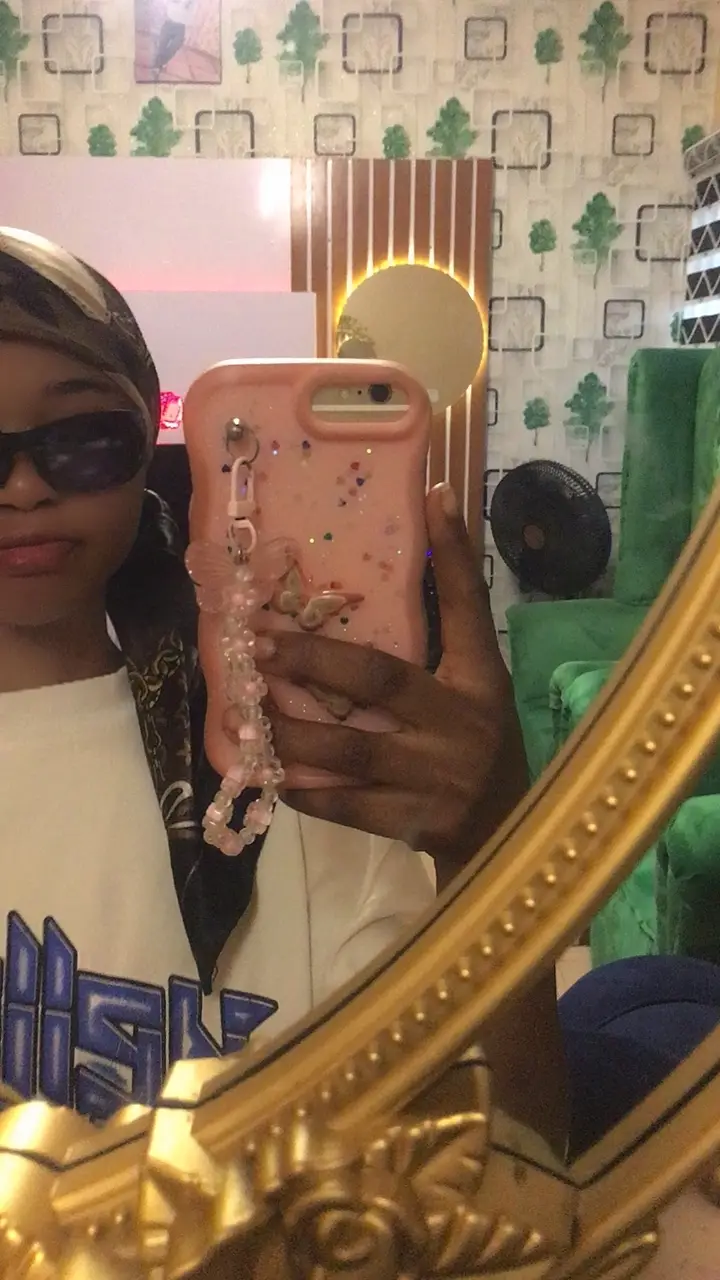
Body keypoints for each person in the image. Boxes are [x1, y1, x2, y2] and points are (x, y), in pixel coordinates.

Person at [0, 227, 564, 1145]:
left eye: (84, 439)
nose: (23, 488)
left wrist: (499, 849)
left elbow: (503, 1160)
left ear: (146, 443)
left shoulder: (283, 757)